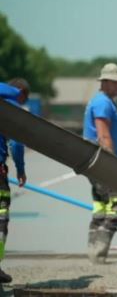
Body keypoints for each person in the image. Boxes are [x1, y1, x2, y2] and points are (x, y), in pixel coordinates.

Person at [82, 63, 117, 264]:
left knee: (100, 207)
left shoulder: (101, 101)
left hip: (95, 162)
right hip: (103, 161)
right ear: (105, 82)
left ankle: (94, 254)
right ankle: (98, 253)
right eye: (115, 83)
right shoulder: (103, 103)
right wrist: (113, 165)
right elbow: (103, 134)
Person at [0, 79, 29, 282]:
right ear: (20, 93)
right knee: (1, 220)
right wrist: (20, 168)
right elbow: (17, 143)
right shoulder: (10, 101)